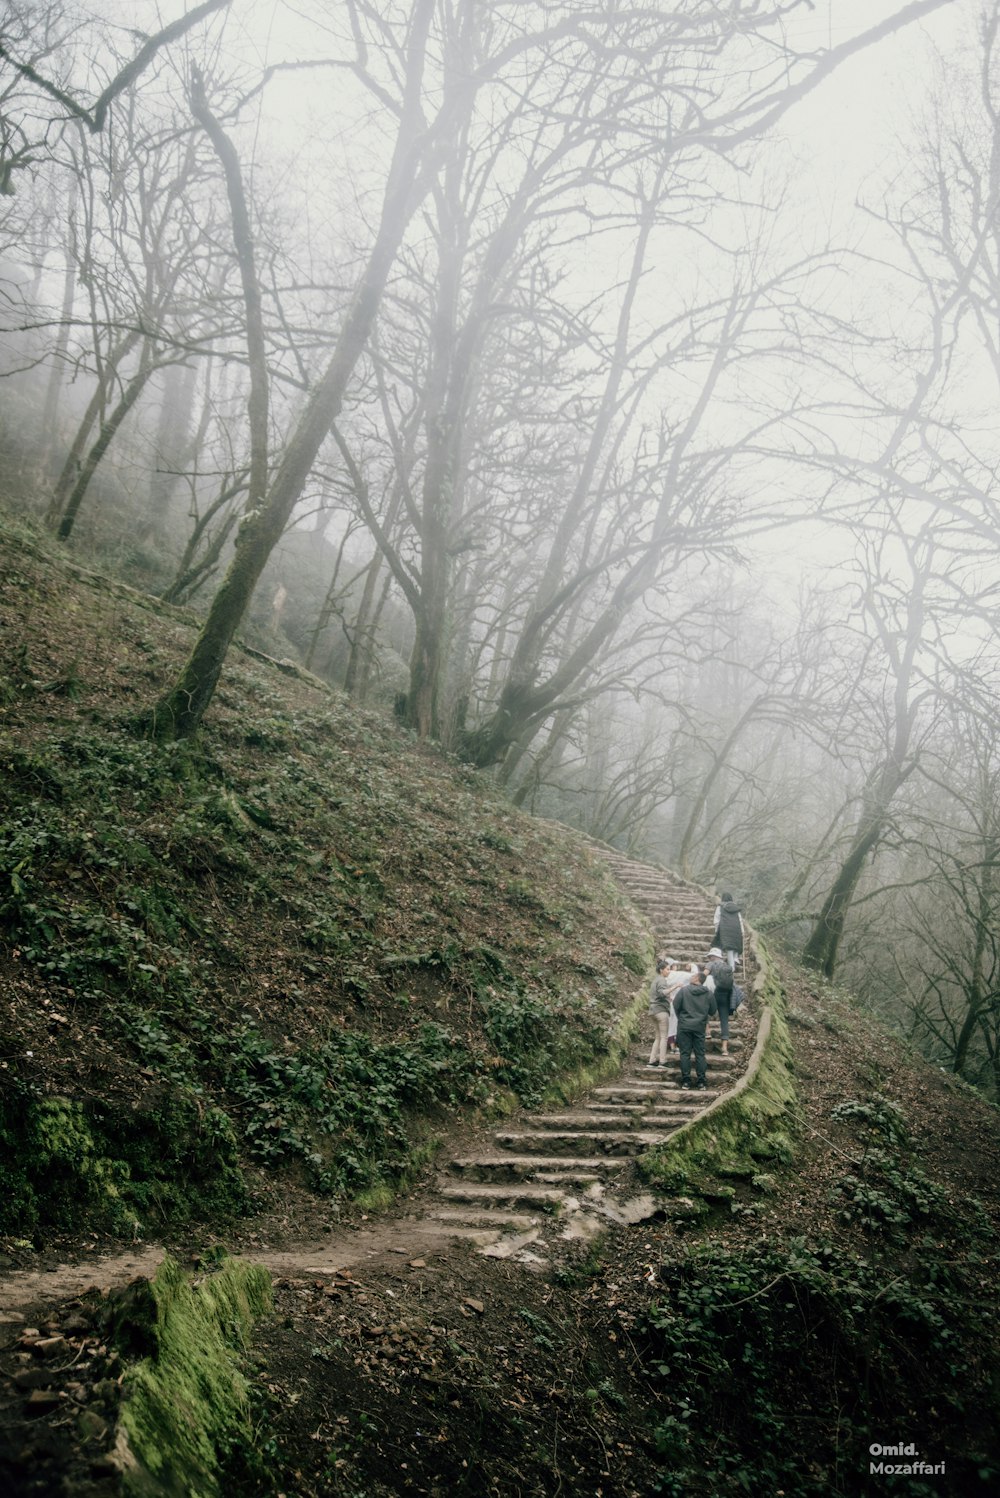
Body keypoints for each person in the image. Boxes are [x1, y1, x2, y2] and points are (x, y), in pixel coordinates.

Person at [671, 964, 717, 1090]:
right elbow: (713, 1011)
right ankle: (701, 1082)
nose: (692, 977)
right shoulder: (708, 993)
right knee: (700, 1054)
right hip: (699, 1027)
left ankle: (686, 1081)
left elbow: (676, 1005)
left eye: (694, 976)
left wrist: (682, 1017)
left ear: (698, 979)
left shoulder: (684, 990)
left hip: (684, 1026)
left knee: (685, 1053)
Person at [705, 947, 734, 1055]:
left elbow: (704, 975)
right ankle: (724, 1048)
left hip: (713, 994)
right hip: (725, 995)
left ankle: (707, 1031)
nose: (709, 958)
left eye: (710, 956)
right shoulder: (728, 966)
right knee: (724, 1020)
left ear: (713, 956)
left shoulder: (711, 964)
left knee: (704, 1010)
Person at [647, 958, 673, 1067]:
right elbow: (662, 993)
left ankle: (652, 1060)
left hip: (652, 1011)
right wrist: (675, 987)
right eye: (667, 969)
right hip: (661, 1011)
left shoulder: (655, 980)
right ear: (662, 970)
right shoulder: (662, 980)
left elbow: (658, 994)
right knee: (664, 1037)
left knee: (658, 1037)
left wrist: (668, 998)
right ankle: (662, 1061)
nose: (669, 971)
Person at [713, 891, 744, 970]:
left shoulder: (720, 907)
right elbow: (740, 920)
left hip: (725, 929)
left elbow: (716, 920)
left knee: (729, 947)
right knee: (736, 944)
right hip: (736, 928)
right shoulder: (736, 908)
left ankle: (731, 967)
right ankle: (735, 958)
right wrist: (742, 931)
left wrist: (717, 930)